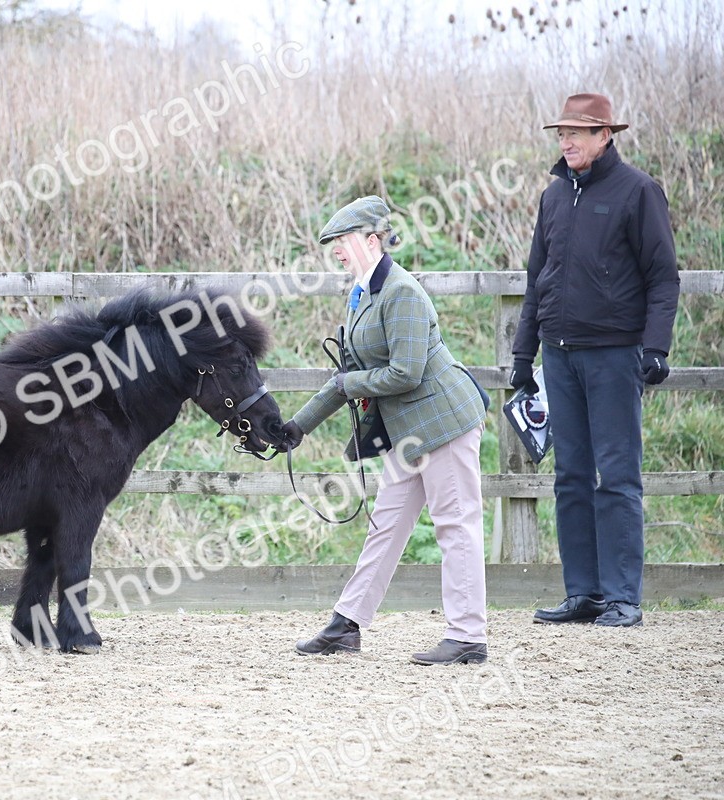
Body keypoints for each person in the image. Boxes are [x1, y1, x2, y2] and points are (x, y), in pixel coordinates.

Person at [281, 195, 490, 665]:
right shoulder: (360, 293)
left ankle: (469, 635)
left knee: (455, 526)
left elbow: (406, 373)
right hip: (408, 433)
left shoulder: (402, 293)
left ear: (372, 241)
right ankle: (346, 625)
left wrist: (348, 383)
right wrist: (296, 427)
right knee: (385, 526)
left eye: (343, 241)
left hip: (444, 423)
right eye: (333, 243)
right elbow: (348, 373)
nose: (335, 250)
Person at [511, 93, 679, 628]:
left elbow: (663, 277)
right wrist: (523, 354)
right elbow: (537, 280)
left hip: (613, 356)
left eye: (578, 133)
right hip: (559, 358)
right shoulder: (554, 196)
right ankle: (582, 593)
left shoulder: (639, 192)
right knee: (570, 476)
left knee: (618, 475)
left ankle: (622, 596)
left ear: (606, 135)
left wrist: (656, 348)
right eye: (562, 133)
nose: (567, 141)